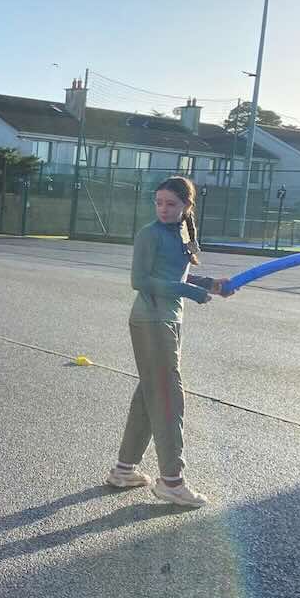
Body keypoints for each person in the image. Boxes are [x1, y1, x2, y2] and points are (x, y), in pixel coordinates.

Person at [106, 176, 230, 508]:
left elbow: (178, 275)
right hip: (151, 321)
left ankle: (124, 470)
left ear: (187, 206)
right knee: (168, 396)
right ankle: (172, 482)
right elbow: (140, 280)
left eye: (171, 204)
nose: (162, 209)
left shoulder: (183, 233)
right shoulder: (149, 234)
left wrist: (212, 285)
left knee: (150, 394)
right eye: (158, 202)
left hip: (169, 320)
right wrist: (191, 292)